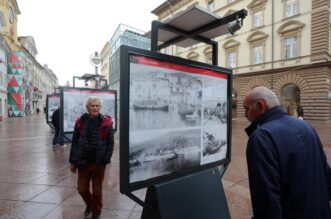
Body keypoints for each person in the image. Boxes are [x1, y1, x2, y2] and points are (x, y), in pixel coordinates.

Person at [243, 86, 331, 219]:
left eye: (247, 109)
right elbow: (326, 174)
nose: (245, 114)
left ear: (261, 106)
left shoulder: (262, 136)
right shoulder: (307, 127)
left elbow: (267, 199)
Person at [69, 96, 114, 219]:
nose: (95, 108)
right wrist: (73, 161)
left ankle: (96, 213)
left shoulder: (107, 123)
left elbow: (111, 143)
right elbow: (75, 141)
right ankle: (90, 205)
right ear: (87, 107)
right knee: (82, 188)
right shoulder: (80, 121)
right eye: (92, 105)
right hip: (83, 162)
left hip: (99, 163)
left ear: (100, 107)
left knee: (97, 191)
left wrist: (105, 159)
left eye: (97, 106)